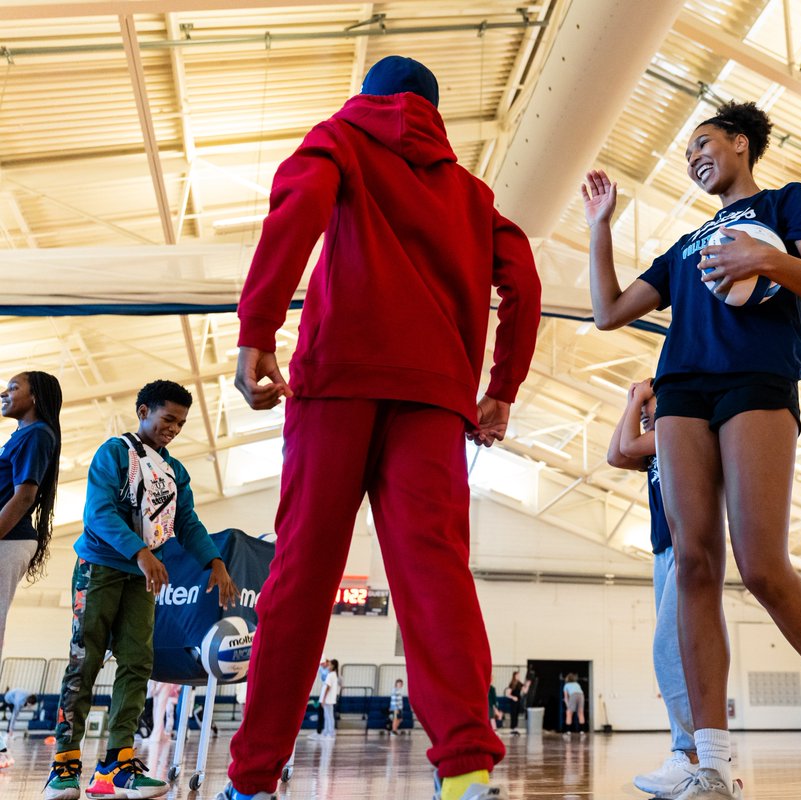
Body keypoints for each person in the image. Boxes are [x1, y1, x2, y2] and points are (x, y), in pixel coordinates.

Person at [222, 54, 541, 800]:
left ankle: (252, 780)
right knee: (435, 576)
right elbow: (521, 278)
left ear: (364, 96)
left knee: (299, 577)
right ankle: (464, 768)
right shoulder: (470, 193)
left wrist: (257, 328)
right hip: (433, 401)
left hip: (337, 382)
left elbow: (295, 211)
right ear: (434, 110)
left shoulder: (339, 140)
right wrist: (501, 389)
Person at [582, 100, 801, 800]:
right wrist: (600, 228)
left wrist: (767, 258)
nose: (694, 158)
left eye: (705, 144)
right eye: (687, 153)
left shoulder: (790, 203)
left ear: (742, 144)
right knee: (693, 563)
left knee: (762, 566)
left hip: (756, 379)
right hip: (683, 387)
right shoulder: (686, 243)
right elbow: (607, 311)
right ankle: (711, 764)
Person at [44, 380, 239, 800]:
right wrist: (141, 553)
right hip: (100, 568)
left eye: (181, 423)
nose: (174, 428)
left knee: (137, 663)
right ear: (143, 411)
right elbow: (98, 513)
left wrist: (215, 561)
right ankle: (64, 765)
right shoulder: (114, 453)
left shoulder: (174, 471)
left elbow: (186, 522)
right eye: (168, 418)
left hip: (141, 577)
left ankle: (117, 766)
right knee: (86, 660)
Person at [607, 378, 700, 797]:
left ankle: (690, 753)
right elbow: (616, 454)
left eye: (651, 403)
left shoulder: (678, 429)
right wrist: (636, 402)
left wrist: (639, 400)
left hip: (687, 549)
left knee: (668, 650)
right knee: (677, 651)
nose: (645, 410)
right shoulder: (656, 443)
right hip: (664, 553)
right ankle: (695, 753)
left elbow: (628, 444)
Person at [0, 371, 61, 772]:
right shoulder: (22, 435)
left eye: (12, 388)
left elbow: (24, 496)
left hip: (8, 540)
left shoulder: (37, 434)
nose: (4, 394)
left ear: (35, 396)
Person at [318, 659, 340, 738]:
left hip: (328, 700)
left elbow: (328, 688)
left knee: (329, 716)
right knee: (327, 716)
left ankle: (330, 733)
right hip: (328, 700)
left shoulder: (331, 675)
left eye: (329, 665)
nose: (328, 666)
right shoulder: (332, 674)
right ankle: (326, 732)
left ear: (333, 666)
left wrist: (323, 699)